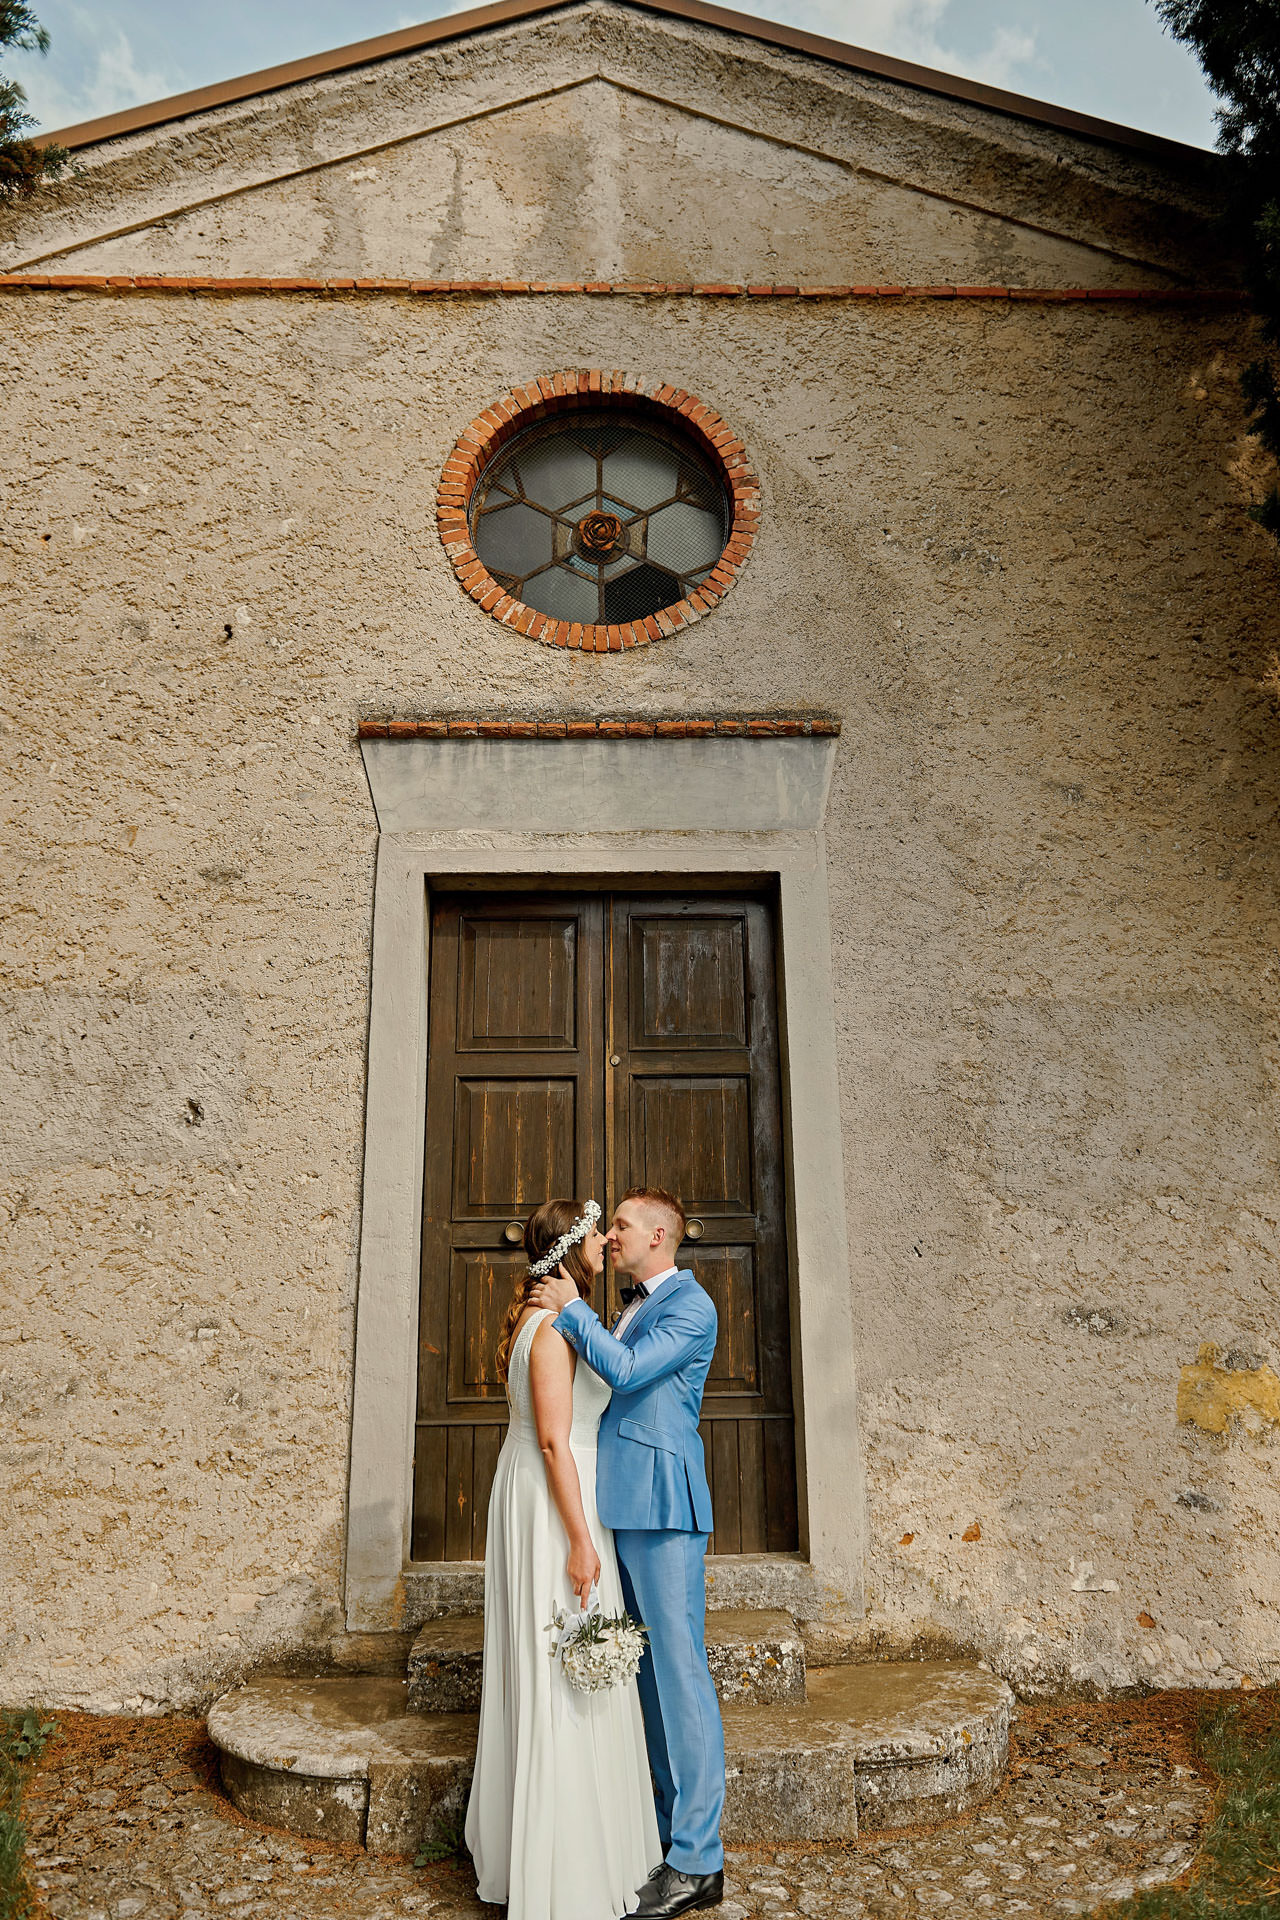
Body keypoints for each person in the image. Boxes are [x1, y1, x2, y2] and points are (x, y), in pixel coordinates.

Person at [530, 1186, 725, 1920]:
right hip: (621, 1505)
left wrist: (570, 1308)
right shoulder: (632, 1304)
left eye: (621, 1225)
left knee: (681, 1678)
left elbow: (631, 1372)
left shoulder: (691, 1306)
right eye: (608, 1226)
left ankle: (699, 1861)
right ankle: (670, 1840)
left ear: (659, 1235)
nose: (610, 1235)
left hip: (666, 1506)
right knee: (648, 1685)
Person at [465, 1198, 662, 1920]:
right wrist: (580, 1540)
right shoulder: (551, 1329)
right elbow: (554, 1441)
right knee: (565, 1659)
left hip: (547, 1489)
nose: (605, 1241)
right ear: (570, 1248)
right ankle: (565, 1867)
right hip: (556, 1501)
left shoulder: (547, 1316)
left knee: (561, 1655)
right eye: (594, 1233)